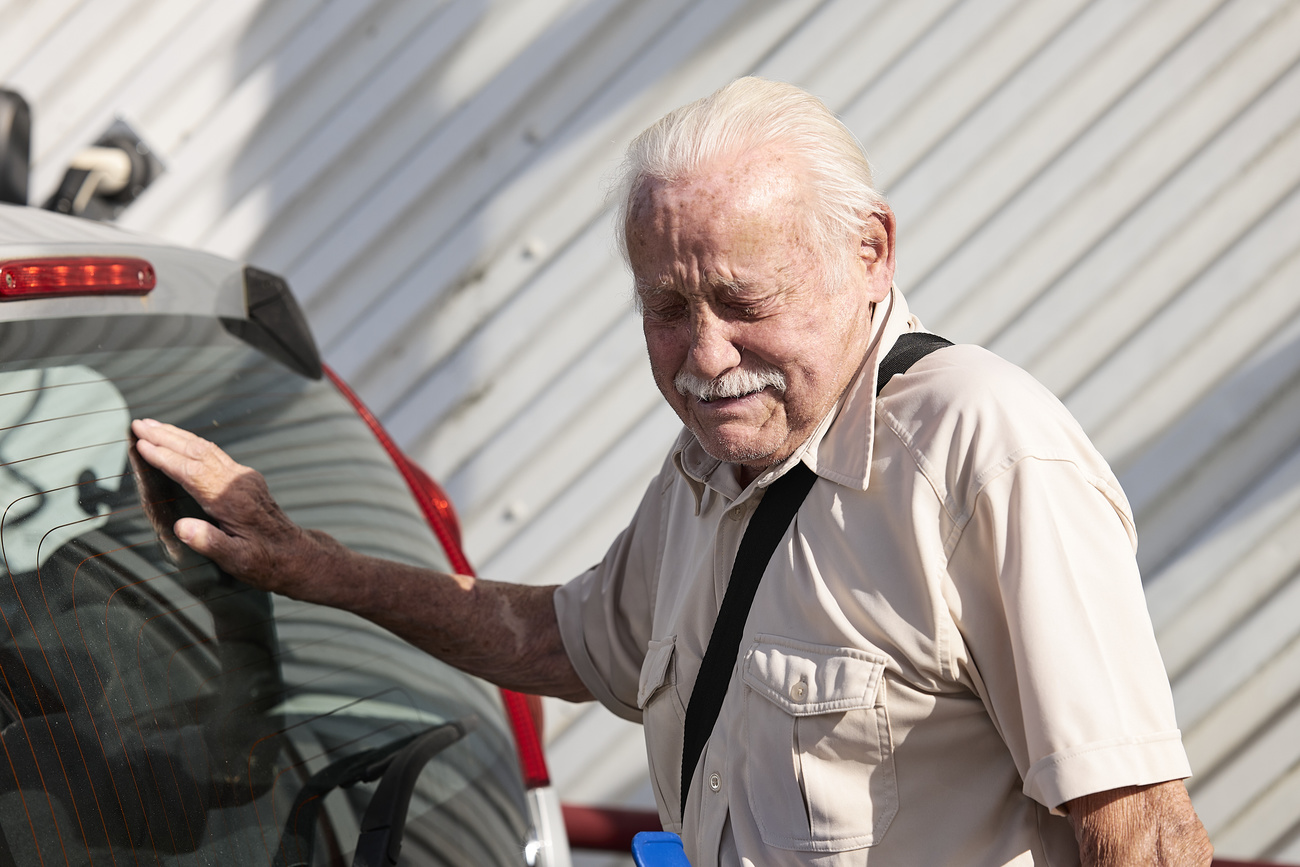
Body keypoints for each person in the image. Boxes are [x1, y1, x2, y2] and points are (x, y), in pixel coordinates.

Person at [132, 78, 1213, 866]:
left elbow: (1144, 835)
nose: (702, 359)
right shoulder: (712, 464)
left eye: (745, 303)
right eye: (664, 307)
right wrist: (316, 567)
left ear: (871, 254)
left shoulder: (980, 445)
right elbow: (562, 639)